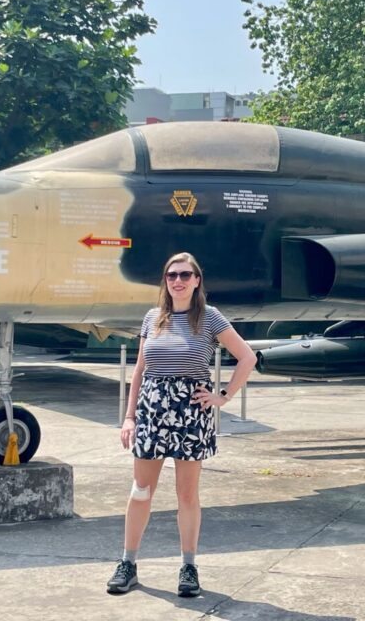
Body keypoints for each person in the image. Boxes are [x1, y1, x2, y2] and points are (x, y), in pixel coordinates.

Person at [107, 251, 258, 598]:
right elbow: (140, 372)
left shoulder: (209, 318)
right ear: (166, 280)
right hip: (152, 412)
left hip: (191, 414)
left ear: (196, 280)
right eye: (172, 275)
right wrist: (129, 417)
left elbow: (246, 356)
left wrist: (222, 396)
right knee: (140, 491)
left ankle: (188, 567)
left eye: (185, 275)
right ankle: (128, 563)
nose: (178, 280)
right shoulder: (152, 318)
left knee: (186, 494)